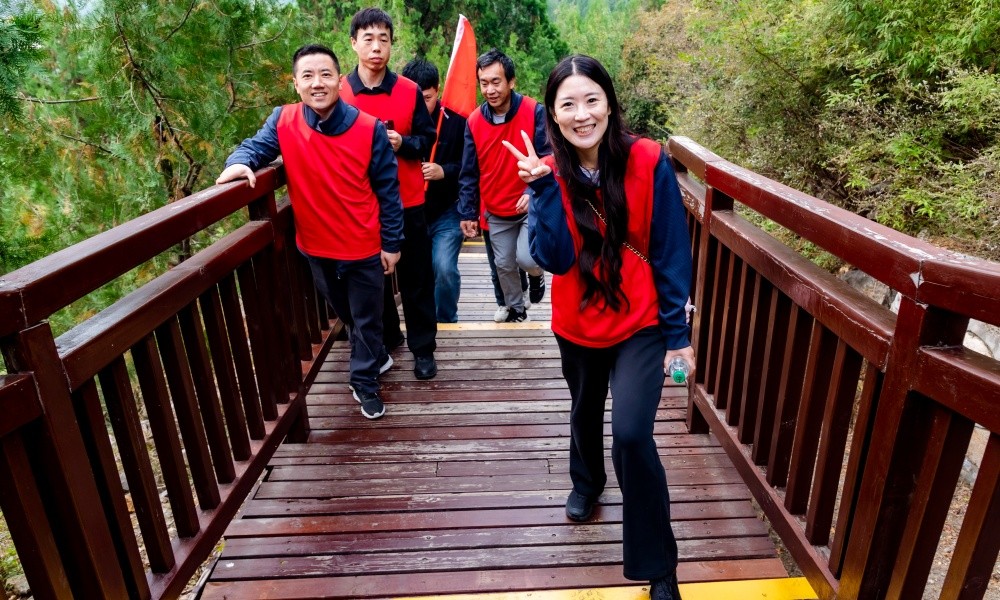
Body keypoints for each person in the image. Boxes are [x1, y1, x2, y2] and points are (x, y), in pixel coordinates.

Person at [504, 55, 694, 599]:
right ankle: (586, 482)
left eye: (592, 99)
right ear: (553, 115)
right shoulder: (547, 172)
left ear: (609, 103)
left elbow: (670, 249)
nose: (582, 114)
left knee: (632, 434)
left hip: (641, 320)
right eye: (568, 104)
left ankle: (660, 567)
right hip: (577, 321)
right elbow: (555, 259)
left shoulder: (648, 159)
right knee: (585, 409)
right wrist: (543, 192)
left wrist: (678, 337)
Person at [216, 44, 402, 421]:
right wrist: (239, 162)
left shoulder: (368, 128)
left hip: (363, 246)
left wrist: (392, 244)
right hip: (316, 248)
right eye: (308, 76)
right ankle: (376, 355)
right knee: (348, 314)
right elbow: (256, 148)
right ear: (296, 84)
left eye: (326, 74)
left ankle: (364, 381)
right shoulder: (283, 120)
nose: (318, 83)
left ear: (339, 81)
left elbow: (388, 191)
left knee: (366, 318)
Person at [340, 7, 439, 379]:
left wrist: (403, 143)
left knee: (417, 279)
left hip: (409, 201)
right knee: (370, 281)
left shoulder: (409, 90)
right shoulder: (340, 92)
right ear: (354, 43)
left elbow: (428, 138)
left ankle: (423, 350)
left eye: (383, 39)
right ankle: (387, 338)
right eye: (368, 39)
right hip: (361, 206)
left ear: (392, 44)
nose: (376, 47)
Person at [457, 48, 548, 323]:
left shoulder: (534, 111)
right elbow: (468, 171)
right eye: (484, 83)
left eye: (496, 82)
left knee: (527, 259)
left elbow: (549, 156)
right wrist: (467, 212)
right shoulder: (474, 121)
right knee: (504, 265)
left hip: (529, 203)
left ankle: (537, 275)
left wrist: (533, 190)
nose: (490, 90)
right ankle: (517, 309)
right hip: (496, 208)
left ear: (511, 81)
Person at [401, 58, 466, 324]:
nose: (420, 105)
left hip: (447, 210)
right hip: (408, 212)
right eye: (415, 98)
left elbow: (471, 167)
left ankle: (446, 320)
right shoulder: (398, 121)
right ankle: (421, 321)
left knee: (444, 267)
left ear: (437, 90)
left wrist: (444, 171)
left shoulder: (456, 120)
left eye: (426, 98)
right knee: (414, 273)